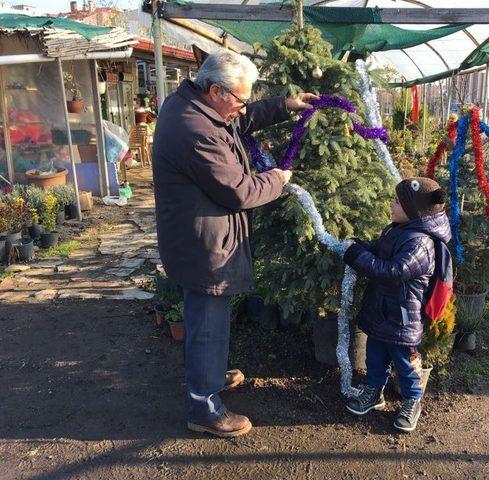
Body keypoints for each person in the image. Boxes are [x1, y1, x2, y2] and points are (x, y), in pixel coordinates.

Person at [152, 49, 318, 438]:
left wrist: (285, 105)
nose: (244, 108)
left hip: (200, 237)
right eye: (241, 99)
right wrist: (279, 178)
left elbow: (239, 123)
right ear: (216, 90)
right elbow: (240, 191)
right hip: (203, 246)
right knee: (207, 322)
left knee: (206, 317)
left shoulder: (196, 106)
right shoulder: (196, 130)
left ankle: (208, 374)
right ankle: (204, 408)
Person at [342, 177, 452, 433]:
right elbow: (381, 251)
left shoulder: (420, 243)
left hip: (404, 317)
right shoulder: (397, 230)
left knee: (406, 361)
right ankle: (373, 392)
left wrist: (356, 256)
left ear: (414, 210)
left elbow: (392, 270)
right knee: (375, 356)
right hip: (382, 311)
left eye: (397, 201)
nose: (391, 205)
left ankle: (412, 400)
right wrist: (361, 246)